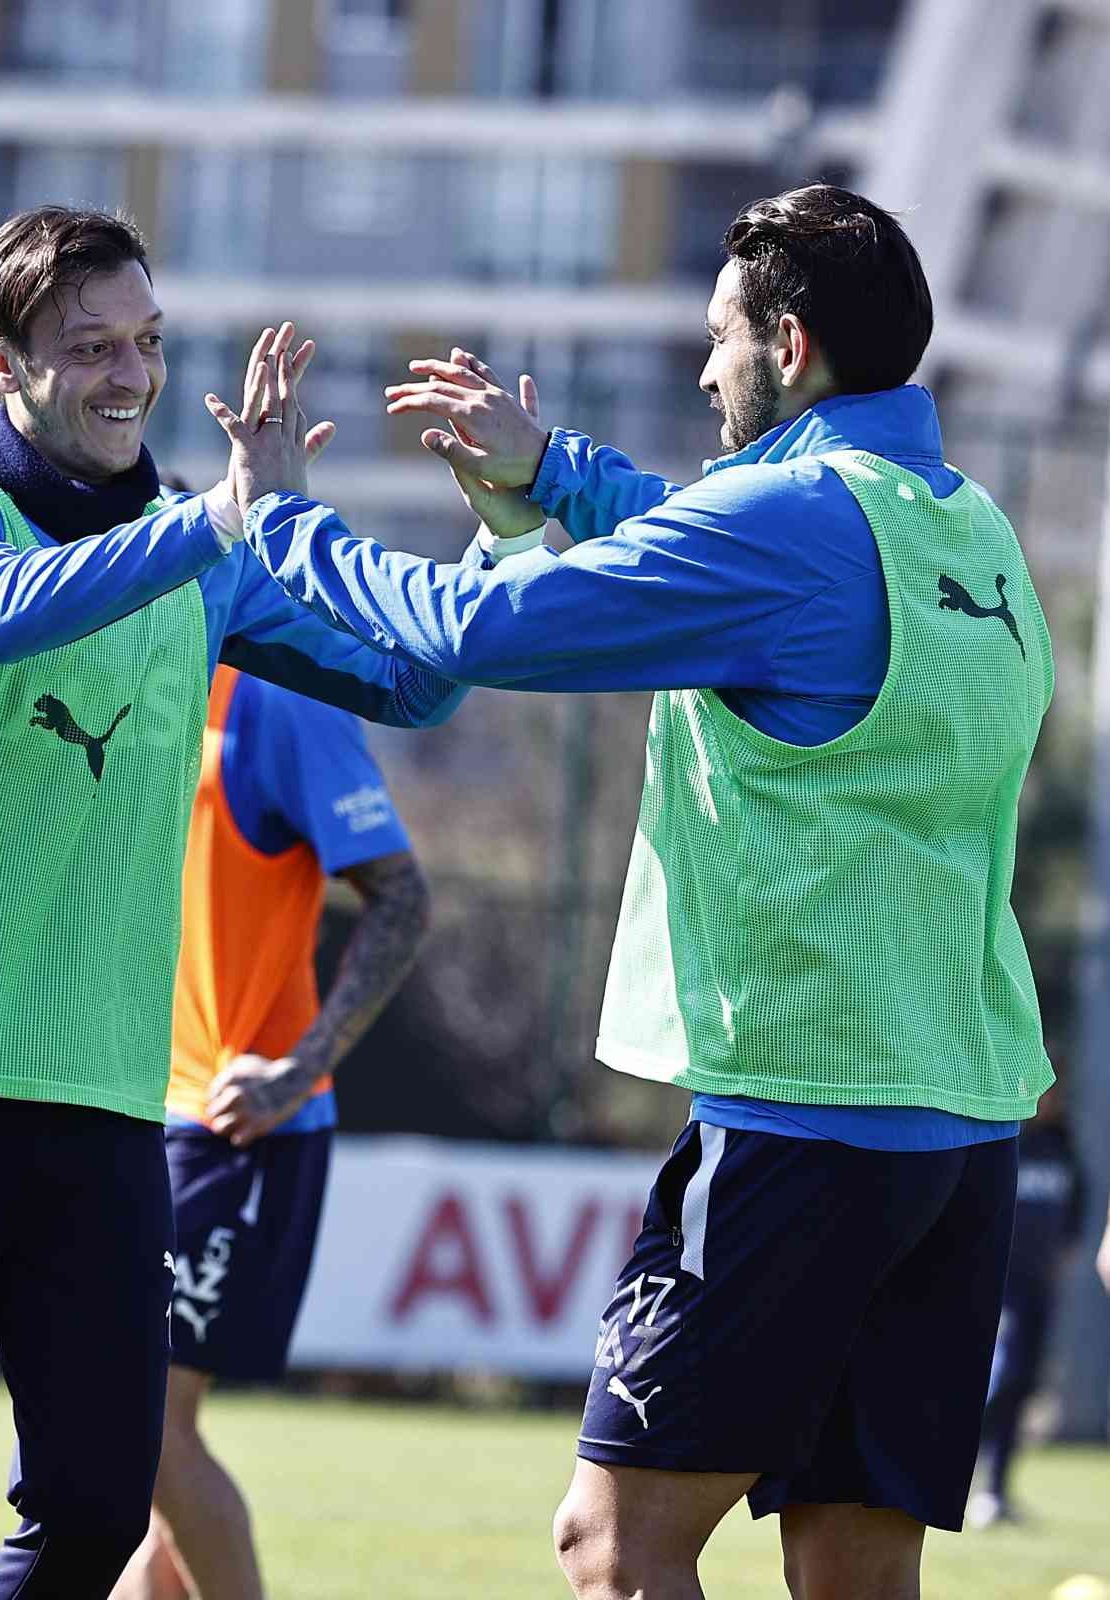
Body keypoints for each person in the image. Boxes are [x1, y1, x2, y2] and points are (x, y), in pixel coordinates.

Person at [216, 185, 1055, 1599]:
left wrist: (284, 526)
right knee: (853, 1571)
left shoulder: (784, 522)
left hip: (804, 1124)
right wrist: (549, 471)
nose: (700, 366)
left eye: (717, 337)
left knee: (611, 1549)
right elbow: (704, 541)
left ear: (785, 346)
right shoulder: (954, 523)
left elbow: (478, 626)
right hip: (957, 1131)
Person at [0, 204, 463, 1600]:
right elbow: (0, 609)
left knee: (92, 1518)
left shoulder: (195, 560)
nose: (129, 376)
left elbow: (416, 680)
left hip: (98, 1110)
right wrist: (218, 516)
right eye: (88, 348)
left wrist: (504, 519)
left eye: (144, 342)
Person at [113, 665, 428, 1600]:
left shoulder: (275, 701)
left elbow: (403, 897)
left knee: (145, 1429)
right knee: (135, 1444)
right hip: (128, 1113)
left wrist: (298, 1069)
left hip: (232, 1129)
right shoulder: (112, 661)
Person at [966, 1079, 1084, 1528]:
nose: (1051, 1098)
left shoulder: (1063, 1151)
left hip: (1038, 1290)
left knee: (1020, 1385)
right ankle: (948, 1463)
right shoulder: (1005, 1143)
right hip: (998, 1286)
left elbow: (1073, 1221)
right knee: (1002, 1376)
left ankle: (994, 1491)